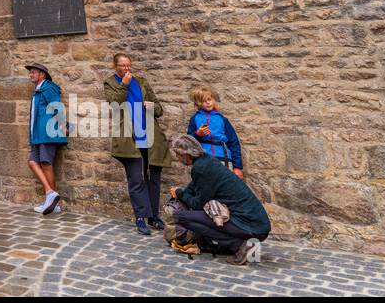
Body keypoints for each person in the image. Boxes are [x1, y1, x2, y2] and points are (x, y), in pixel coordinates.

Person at [168, 135, 270, 264]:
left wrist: (179, 193)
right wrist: (181, 192)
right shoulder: (206, 161)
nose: (177, 158)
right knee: (197, 216)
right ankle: (236, 245)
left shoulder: (201, 168)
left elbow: (198, 204)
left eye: (178, 155)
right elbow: (193, 186)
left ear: (186, 154)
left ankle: (239, 245)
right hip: (256, 224)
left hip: (252, 226)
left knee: (181, 217)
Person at [104, 52, 169, 235]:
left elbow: (159, 109)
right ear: (115, 66)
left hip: (149, 134)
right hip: (128, 137)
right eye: (122, 66)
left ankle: (153, 216)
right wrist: (123, 85)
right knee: (136, 178)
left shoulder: (141, 82)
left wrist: (151, 107)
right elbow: (114, 103)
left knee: (153, 176)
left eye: (128, 65)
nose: (126, 69)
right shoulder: (110, 83)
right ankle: (140, 217)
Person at [26, 63, 66, 215]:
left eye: (33, 72)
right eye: (30, 73)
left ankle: (53, 203)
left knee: (46, 164)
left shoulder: (48, 87)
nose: (30, 75)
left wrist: (62, 124)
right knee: (33, 162)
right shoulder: (38, 90)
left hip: (47, 133)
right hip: (38, 134)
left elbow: (57, 106)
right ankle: (50, 194)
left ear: (42, 74)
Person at [186, 85, 245, 178]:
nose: (208, 103)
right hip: (203, 160)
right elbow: (188, 142)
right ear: (199, 103)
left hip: (223, 159)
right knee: (205, 189)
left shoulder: (222, 119)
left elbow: (234, 143)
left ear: (213, 99)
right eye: (204, 101)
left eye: (209, 99)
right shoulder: (195, 119)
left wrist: (237, 167)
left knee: (225, 189)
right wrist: (198, 134)